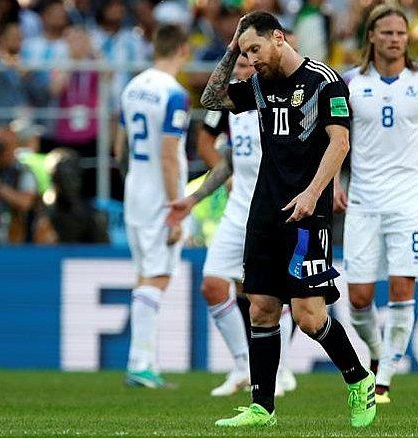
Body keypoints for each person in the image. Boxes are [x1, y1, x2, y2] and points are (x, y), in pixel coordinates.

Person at [200, 11, 375, 428]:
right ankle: (262, 408)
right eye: (245, 53)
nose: (251, 60)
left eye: (255, 49)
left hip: (308, 212)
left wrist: (314, 194)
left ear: (279, 38)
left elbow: (341, 141)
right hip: (264, 210)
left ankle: (358, 379)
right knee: (260, 308)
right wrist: (232, 48)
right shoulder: (259, 84)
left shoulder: (324, 81)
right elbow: (210, 100)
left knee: (309, 317)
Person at [336, 2, 418, 404]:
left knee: (401, 285)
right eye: (387, 33)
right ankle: (377, 352)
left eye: (401, 33)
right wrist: (330, 185)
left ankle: (385, 377)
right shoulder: (348, 83)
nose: (395, 40)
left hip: (410, 197)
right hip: (363, 197)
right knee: (357, 297)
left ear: (408, 39)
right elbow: (332, 139)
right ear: (371, 36)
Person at [168, 53, 296, 397]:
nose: (242, 72)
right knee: (212, 284)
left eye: (249, 66)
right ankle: (243, 365)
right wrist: (194, 199)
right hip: (240, 209)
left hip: (276, 210)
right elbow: (229, 161)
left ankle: (279, 371)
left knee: (274, 297)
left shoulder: (280, 103)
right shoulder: (232, 109)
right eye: (238, 66)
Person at [114, 24, 190, 389]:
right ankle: (140, 364)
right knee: (157, 277)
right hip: (161, 197)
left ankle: (146, 363)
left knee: (145, 274)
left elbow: (119, 147)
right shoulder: (174, 94)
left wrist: (134, 180)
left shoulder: (131, 88)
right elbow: (168, 155)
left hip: (135, 191)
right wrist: (177, 206)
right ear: (183, 51)